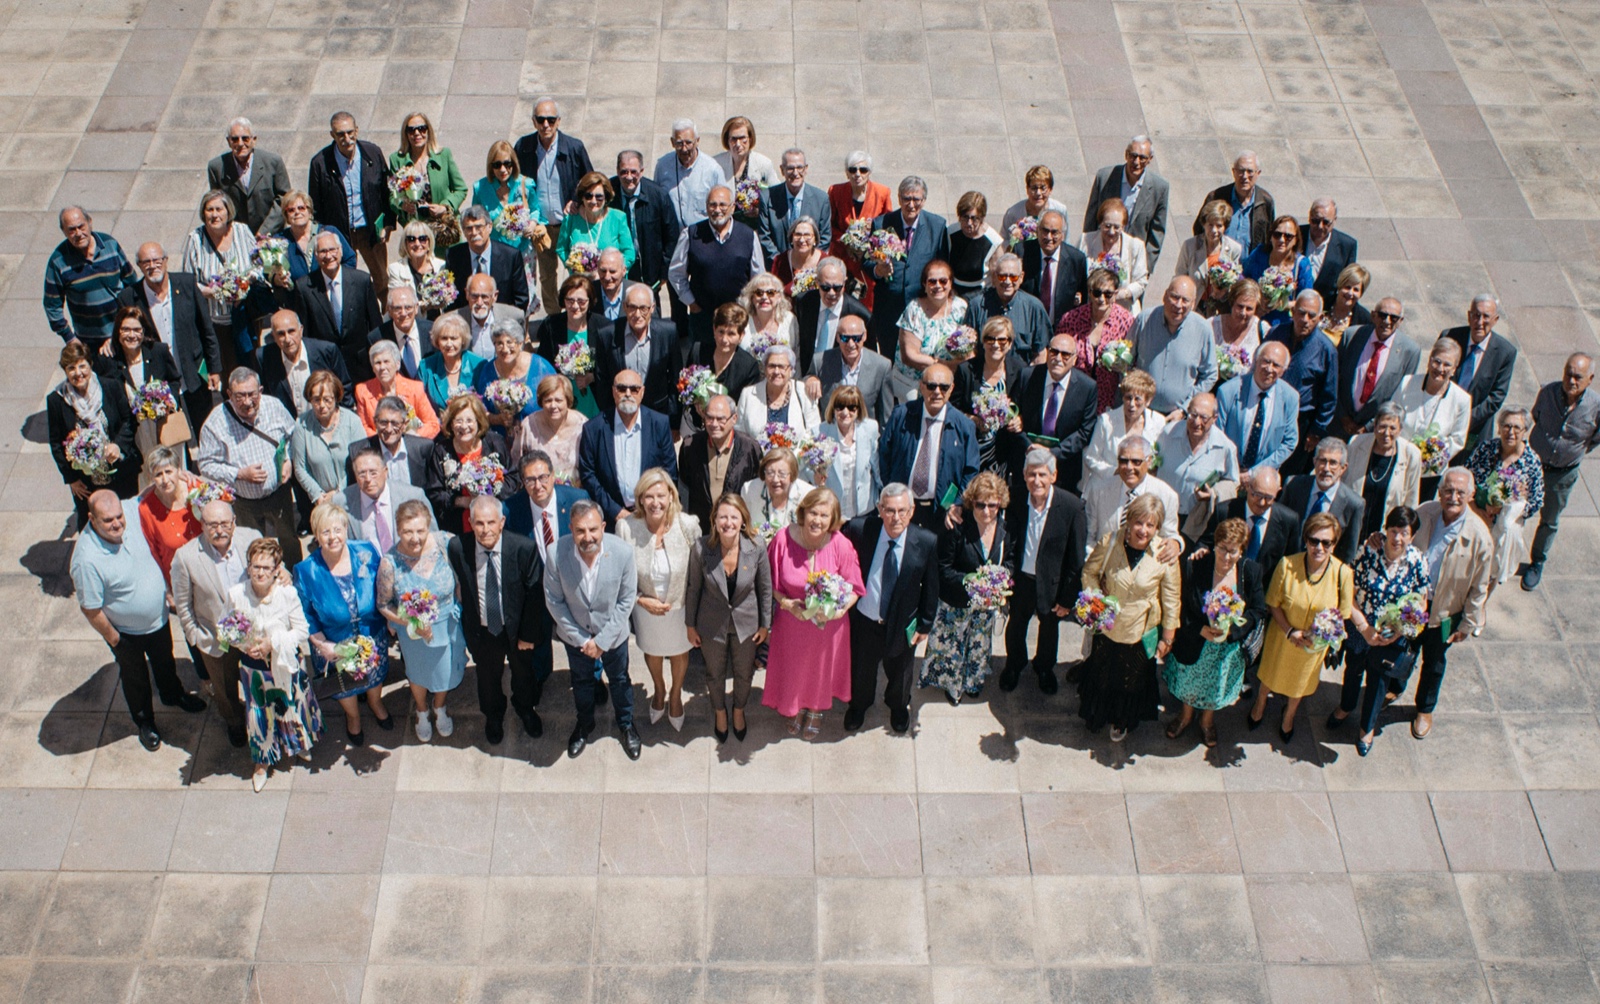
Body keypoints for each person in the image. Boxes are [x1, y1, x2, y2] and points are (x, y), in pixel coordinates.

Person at [72, 492, 205, 751]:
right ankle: (145, 722)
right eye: (108, 520)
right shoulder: (86, 560)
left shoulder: (131, 510)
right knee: (136, 679)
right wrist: (116, 640)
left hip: (158, 619)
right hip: (125, 633)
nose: (117, 524)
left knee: (165, 658)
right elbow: (90, 608)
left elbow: (150, 491)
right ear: (92, 519)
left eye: (119, 516)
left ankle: (172, 694)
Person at [1325, 506, 1431, 757]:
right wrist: (1364, 628)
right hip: (1361, 627)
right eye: (1393, 531)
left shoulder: (1417, 561)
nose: (1397, 538)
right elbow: (1348, 593)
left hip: (1391, 635)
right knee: (1353, 670)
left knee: (1379, 681)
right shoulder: (1367, 551)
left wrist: (1399, 630)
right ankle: (1346, 706)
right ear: (1386, 530)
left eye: (1404, 533)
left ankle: (1367, 727)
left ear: (1412, 535)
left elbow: (1422, 602)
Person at [442, 496, 547, 744]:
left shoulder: (523, 548)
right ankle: (493, 716)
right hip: (482, 630)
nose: (486, 530)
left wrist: (527, 636)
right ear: (470, 522)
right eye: (479, 523)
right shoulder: (458, 547)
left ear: (502, 522)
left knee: (523, 674)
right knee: (487, 679)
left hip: (517, 631)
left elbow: (534, 594)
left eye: (491, 522)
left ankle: (525, 709)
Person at [1077, 493, 1181, 741]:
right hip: (1108, 626)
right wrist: (1095, 602)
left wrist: (1167, 637)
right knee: (1102, 675)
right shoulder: (1111, 541)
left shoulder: (1164, 554)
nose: (1143, 530)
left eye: (1150, 524)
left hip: (1139, 630)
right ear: (1129, 520)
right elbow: (1089, 572)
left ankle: (1122, 720)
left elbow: (1171, 598)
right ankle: (1098, 714)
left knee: (1130, 681)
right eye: (1138, 522)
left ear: (1157, 527)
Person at [1399, 468, 1493, 738]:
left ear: (1471, 495)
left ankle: (1425, 708)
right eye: (1448, 490)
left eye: (1460, 492)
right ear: (1439, 491)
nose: (1453, 497)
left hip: (1445, 613)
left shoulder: (1480, 537)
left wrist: (1468, 622)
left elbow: (1479, 587)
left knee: (1435, 662)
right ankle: (1397, 685)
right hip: (1412, 605)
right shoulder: (1425, 511)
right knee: (1404, 649)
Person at [544, 499, 641, 759]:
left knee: (620, 681)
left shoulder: (623, 553)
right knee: (582, 682)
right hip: (576, 639)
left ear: (603, 527)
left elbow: (626, 599)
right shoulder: (555, 553)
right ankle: (584, 724)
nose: (588, 537)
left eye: (593, 530)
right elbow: (554, 601)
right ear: (571, 529)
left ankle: (626, 724)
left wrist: (603, 641)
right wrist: (582, 639)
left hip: (613, 637)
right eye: (580, 531)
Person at [764, 487, 864, 739]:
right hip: (792, 622)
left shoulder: (841, 544)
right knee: (795, 668)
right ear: (803, 512)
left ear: (833, 520)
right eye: (813, 513)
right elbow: (769, 584)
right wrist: (786, 604)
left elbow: (854, 587)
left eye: (824, 516)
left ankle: (817, 709)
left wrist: (838, 611)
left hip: (827, 626)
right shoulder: (782, 540)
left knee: (820, 669)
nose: (817, 520)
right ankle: (797, 706)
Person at [1251, 513, 1357, 743]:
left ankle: (1289, 715)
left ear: (1334, 543)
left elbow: (1343, 615)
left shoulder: (1343, 574)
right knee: (1270, 674)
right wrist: (1290, 631)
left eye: (1326, 542)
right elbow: (1273, 603)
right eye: (1313, 540)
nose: (1319, 547)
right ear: (1305, 540)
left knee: (1299, 684)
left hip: (1312, 646)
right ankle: (1260, 703)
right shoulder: (1287, 564)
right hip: (1282, 636)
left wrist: (1320, 636)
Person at [295, 502, 393, 745]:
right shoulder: (306, 570)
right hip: (335, 643)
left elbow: (383, 585)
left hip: (373, 636)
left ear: (346, 529)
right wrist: (322, 644)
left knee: (374, 676)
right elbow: (304, 615)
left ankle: (375, 702)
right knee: (345, 686)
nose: (333, 537)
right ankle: (353, 716)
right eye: (325, 532)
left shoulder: (366, 551)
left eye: (337, 530)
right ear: (316, 535)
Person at [1165, 517, 1265, 748]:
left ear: (1242, 551)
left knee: (1215, 687)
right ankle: (1186, 715)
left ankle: (1207, 721)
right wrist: (1200, 629)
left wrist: (1232, 630)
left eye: (1233, 551)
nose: (1226, 557)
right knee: (1189, 682)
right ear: (1214, 545)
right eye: (1222, 549)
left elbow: (1258, 609)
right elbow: (1180, 604)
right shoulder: (1196, 565)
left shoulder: (1250, 571)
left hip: (1226, 648)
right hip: (1196, 640)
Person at [169, 499, 257, 751]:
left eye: (224, 523)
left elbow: (274, 567)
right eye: (212, 524)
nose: (219, 530)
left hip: (253, 631)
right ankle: (234, 723)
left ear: (234, 523)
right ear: (202, 525)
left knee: (260, 680)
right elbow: (183, 604)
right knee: (225, 688)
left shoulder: (250, 538)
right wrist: (195, 636)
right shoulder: (186, 557)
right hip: (215, 638)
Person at [616, 470, 700, 730]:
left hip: (680, 608)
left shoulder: (687, 525)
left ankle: (675, 695)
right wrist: (641, 601)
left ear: (671, 497)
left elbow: (699, 571)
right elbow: (621, 576)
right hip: (646, 608)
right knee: (652, 651)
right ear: (640, 499)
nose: (655, 502)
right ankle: (659, 690)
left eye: (661, 495)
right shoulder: (626, 527)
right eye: (648, 496)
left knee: (678, 652)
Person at [686, 493, 772, 743]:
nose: (728, 522)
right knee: (714, 673)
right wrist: (690, 625)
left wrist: (765, 625)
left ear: (743, 520)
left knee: (745, 673)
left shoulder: (757, 546)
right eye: (723, 516)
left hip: (747, 625)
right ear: (714, 520)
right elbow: (693, 588)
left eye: (734, 517)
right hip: (711, 624)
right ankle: (720, 711)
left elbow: (765, 588)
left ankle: (738, 710)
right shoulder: (701, 548)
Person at [377, 499, 465, 742]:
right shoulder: (389, 562)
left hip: (448, 622)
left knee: (445, 672)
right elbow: (383, 604)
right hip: (413, 631)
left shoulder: (446, 542)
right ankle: (422, 710)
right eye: (407, 531)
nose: (415, 538)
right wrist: (410, 623)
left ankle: (439, 707)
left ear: (429, 526)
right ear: (398, 530)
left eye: (420, 530)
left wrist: (460, 595)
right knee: (418, 675)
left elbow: (463, 574)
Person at [1000, 449, 1087, 693]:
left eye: (1042, 474)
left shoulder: (1071, 507)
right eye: (1031, 475)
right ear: (1024, 475)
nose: (1036, 481)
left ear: (1053, 476)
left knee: (1049, 629)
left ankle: (1044, 667)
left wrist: (1068, 598)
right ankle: (1014, 664)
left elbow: (1077, 559)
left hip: (1053, 583)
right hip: (1022, 580)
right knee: (1016, 625)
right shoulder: (1015, 498)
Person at [922, 472, 1012, 704]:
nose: (986, 511)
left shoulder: (1005, 528)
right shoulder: (958, 526)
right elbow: (943, 567)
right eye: (980, 504)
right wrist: (973, 583)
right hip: (957, 601)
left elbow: (1010, 560)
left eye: (992, 505)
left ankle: (973, 681)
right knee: (952, 646)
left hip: (985, 606)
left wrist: (1000, 580)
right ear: (972, 503)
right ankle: (951, 685)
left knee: (978, 644)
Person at [198, 367, 301, 565]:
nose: (247, 402)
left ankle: (295, 579)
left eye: (251, 394)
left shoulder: (274, 406)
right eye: (240, 396)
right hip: (244, 501)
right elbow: (206, 464)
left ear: (260, 391)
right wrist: (239, 473)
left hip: (278, 494)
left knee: (288, 540)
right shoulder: (216, 423)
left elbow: (292, 435)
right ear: (229, 394)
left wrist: (287, 459)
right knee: (253, 546)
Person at [115, 242, 222, 430]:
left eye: (157, 260)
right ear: (139, 266)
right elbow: (123, 330)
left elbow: (206, 329)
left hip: (193, 370)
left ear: (165, 261)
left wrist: (214, 369)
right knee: (172, 433)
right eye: (146, 262)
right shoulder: (129, 297)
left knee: (206, 427)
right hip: (160, 379)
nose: (152, 265)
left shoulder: (187, 283)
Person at [1524, 353, 1600, 589]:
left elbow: (1594, 439)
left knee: (1549, 520)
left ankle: (1537, 562)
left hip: (1562, 473)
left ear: (1590, 379)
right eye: (1568, 373)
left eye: (1578, 376)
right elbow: (1536, 416)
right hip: (1533, 466)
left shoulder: (1596, 407)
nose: (1572, 380)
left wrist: (1569, 452)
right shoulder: (1547, 393)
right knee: (1513, 509)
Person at [513, 98, 595, 313]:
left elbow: (590, 181)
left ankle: (577, 315)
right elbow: (514, 181)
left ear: (558, 121)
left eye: (550, 120)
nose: (546, 125)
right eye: (541, 120)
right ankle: (553, 318)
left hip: (569, 224)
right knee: (547, 276)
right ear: (534, 122)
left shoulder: (574, 147)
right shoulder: (524, 147)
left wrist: (576, 200)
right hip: (541, 227)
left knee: (576, 274)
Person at [878, 363, 980, 530]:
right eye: (931, 386)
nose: (937, 392)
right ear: (921, 386)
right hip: (902, 509)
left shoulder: (964, 426)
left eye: (944, 387)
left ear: (952, 388)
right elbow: (884, 454)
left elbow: (971, 470)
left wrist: (957, 503)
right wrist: (891, 489)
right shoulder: (901, 415)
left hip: (941, 511)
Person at [50, 340, 139, 530]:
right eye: (71, 368)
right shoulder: (56, 400)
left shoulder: (111, 387)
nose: (78, 373)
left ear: (90, 365)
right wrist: (71, 479)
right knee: (91, 524)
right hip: (86, 481)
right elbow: (56, 442)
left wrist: (118, 445)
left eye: (82, 366)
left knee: (126, 519)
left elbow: (129, 421)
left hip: (120, 472)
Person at [281, 229, 384, 383]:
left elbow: (375, 325)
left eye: (332, 250)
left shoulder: (361, 281)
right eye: (322, 251)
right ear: (316, 256)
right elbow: (306, 333)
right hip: (326, 366)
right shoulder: (304, 287)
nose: (328, 256)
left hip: (361, 365)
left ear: (341, 251)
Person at [577, 370, 678, 524]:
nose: (628, 394)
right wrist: (615, 511)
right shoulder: (594, 429)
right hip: (610, 519)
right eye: (622, 389)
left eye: (634, 389)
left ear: (642, 392)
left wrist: (650, 506)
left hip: (652, 515)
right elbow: (588, 474)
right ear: (613, 392)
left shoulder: (659, 424)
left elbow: (669, 471)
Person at [667, 185, 763, 346]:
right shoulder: (691, 234)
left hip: (738, 316)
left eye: (722, 205)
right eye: (712, 205)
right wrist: (691, 302)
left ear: (732, 207)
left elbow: (758, 276)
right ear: (706, 207)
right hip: (703, 318)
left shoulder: (748, 235)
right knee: (703, 365)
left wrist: (750, 307)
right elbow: (676, 273)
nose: (717, 209)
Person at [869, 176, 952, 357]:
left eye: (916, 200)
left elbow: (944, 265)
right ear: (899, 198)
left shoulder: (937, 226)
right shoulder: (881, 224)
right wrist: (877, 270)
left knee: (919, 357)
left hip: (923, 307)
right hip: (889, 308)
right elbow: (867, 261)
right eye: (907, 199)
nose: (911, 205)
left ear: (923, 200)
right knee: (888, 358)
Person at [1464, 408, 1544, 591]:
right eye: (1506, 426)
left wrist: (1507, 508)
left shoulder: (1531, 462)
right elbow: (1466, 477)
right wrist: (1478, 510)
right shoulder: (1486, 449)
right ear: (1499, 428)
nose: (1511, 432)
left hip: (1504, 527)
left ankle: (1483, 599)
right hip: (1476, 513)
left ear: (1525, 432)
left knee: (1493, 568)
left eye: (1517, 427)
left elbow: (1536, 501)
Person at [307, 111, 391, 278]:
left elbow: (386, 190)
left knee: (382, 278)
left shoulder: (372, 153)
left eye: (350, 132)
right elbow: (315, 204)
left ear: (356, 131)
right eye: (340, 134)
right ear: (332, 135)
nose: (347, 138)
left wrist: (388, 223)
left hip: (370, 231)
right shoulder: (320, 163)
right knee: (343, 279)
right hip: (340, 233)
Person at [182, 190, 260, 368]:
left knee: (250, 363)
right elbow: (188, 280)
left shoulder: (242, 230)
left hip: (245, 314)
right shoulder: (195, 239)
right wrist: (209, 292)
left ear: (228, 211)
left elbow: (259, 264)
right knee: (226, 367)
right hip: (215, 320)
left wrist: (245, 284)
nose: (215, 214)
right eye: (210, 210)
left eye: (219, 209)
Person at [1014, 332, 1098, 494]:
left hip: (1064, 469)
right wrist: (1029, 447)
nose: (1058, 358)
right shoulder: (1027, 377)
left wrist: (1053, 453)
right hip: (1027, 463)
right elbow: (1014, 417)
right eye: (1054, 352)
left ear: (1075, 359)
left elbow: (1084, 432)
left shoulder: (1087, 388)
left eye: (1065, 354)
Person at [1265, 290, 1339, 473]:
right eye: (1301, 312)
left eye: (1311, 315)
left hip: (1300, 422)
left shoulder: (1326, 350)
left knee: (1288, 471)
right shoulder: (1277, 333)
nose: (1305, 319)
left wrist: (1316, 431)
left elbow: (1329, 397)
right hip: (1267, 410)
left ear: (1319, 318)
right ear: (1293, 311)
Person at [45, 207, 137, 351]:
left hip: (123, 333)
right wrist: (69, 338)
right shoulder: (58, 261)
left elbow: (132, 284)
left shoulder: (110, 245)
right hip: (90, 342)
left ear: (90, 223)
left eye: (81, 226)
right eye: (72, 230)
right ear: (63, 231)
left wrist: (133, 321)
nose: (78, 234)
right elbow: (52, 305)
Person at [425, 393, 517, 533]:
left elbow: (513, 477)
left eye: (469, 420)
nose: (464, 426)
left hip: (493, 523)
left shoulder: (494, 443)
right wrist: (462, 501)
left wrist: (491, 494)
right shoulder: (441, 450)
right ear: (451, 424)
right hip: (457, 527)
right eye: (458, 421)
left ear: (478, 422)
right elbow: (434, 493)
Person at [1395, 337, 1472, 500]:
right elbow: (1392, 417)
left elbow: (1458, 439)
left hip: (1430, 473)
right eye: (1437, 361)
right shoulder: (1407, 383)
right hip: (1400, 463)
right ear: (1429, 361)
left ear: (1454, 369)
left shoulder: (1462, 399)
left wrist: (1431, 457)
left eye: (1447, 365)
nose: (1440, 368)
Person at [1155, 392, 1239, 538]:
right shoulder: (1168, 433)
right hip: (1160, 513)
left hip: (1194, 522)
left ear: (1214, 419)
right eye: (1193, 415)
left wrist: (1214, 493)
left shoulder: (1225, 447)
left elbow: (1233, 482)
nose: (1197, 422)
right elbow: (1152, 464)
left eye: (1204, 418)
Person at [1130, 276, 1216, 417]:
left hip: (1177, 417)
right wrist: (1132, 396)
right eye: (1174, 297)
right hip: (1140, 412)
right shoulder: (1144, 320)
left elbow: (1210, 375)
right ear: (1165, 296)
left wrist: (1185, 408)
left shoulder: (1203, 329)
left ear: (1193, 304)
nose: (1178, 305)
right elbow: (1126, 360)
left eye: (1185, 300)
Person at [1203, 466, 1301, 590]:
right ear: (1248, 486)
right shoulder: (1224, 511)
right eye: (1257, 495)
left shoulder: (1289, 520)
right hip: (1226, 588)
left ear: (1278, 492)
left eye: (1268, 498)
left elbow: (1291, 561)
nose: (1261, 503)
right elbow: (1205, 543)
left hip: (1266, 594)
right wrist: (1202, 550)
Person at [950, 316, 1025, 478]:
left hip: (1004, 450)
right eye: (990, 339)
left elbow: (1025, 406)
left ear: (1010, 344)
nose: (996, 345)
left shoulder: (1019, 370)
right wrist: (973, 419)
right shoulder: (966, 370)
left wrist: (1018, 420)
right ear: (983, 343)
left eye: (1002, 340)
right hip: (973, 446)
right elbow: (952, 408)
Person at [1444, 294, 1518, 456]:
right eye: (1476, 315)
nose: (1480, 321)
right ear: (1469, 316)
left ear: (1495, 320)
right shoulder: (1450, 337)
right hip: (1442, 419)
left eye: (1486, 316)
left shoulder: (1505, 352)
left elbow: (1496, 397)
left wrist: (1464, 420)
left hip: (1474, 428)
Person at [1337, 297, 1421, 436]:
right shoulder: (1352, 335)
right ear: (1373, 315)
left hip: (1375, 431)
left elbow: (1402, 396)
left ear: (1401, 321)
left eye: (1393, 318)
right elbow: (1334, 378)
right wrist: (1342, 415)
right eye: (1382, 315)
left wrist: (1369, 426)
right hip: (1340, 422)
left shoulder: (1410, 351)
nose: (1387, 321)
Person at [596, 283, 679, 423]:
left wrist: (674, 421)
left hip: (657, 414)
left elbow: (675, 377)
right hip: (620, 414)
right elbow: (602, 381)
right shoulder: (608, 334)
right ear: (624, 307)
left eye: (643, 308)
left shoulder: (668, 333)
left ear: (652, 308)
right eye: (632, 307)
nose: (637, 314)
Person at [1059, 268, 1137, 415]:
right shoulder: (1071, 319)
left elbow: (1134, 361)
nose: (1101, 299)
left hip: (1109, 400)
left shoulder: (1127, 322)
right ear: (1089, 292)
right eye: (1097, 293)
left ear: (1115, 294)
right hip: (1075, 395)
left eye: (1108, 294)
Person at [1083, 136, 1170, 267]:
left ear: (1150, 160)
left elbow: (1157, 232)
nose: (1136, 161)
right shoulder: (1105, 177)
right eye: (1133, 155)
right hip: (1101, 255)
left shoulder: (1159, 188)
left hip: (1132, 261)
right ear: (1126, 154)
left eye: (1142, 158)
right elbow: (1091, 219)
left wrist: (1145, 267)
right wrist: (1087, 252)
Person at [1083, 434, 1183, 548]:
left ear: (1149, 461)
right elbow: (1089, 535)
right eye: (1123, 461)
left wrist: (1176, 543)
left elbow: (1170, 537)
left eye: (1136, 462)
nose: (1129, 467)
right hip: (1104, 561)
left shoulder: (1167, 496)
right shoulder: (1099, 490)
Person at [471, 139, 548, 284]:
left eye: (507, 164)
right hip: (495, 252)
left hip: (522, 250)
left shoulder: (525, 184)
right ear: (490, 166)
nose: (503, 170)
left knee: (525, 294)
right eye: (497, 165)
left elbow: (535, 210)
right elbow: (475, 218)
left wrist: (532, 224)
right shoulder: (481, 188)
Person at [679, 394, 762, 530]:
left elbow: (757, 490)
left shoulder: (750, 449)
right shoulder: (690, 447)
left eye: (721, 419)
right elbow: (684, 491)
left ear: (734, 419)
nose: (714, 424)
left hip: (736, 530)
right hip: (702, 531)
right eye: (710, 418)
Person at [1216, 340, 1300, 472]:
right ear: (1256, 361)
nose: (1269, 369)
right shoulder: (1228, 391)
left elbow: (1289, 442)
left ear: (1283, 371)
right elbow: (1217, 434)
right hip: (1227, 469)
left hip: (1264, 475)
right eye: (1266, 361)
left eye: (1276, 365)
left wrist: (1254, 473)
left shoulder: (1290, 398)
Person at [1280, 438, 1366, 567]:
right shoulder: (1294, 485)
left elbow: (1348, 553)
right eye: (1322, 461)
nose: (1326, 468)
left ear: (1343, 468)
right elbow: (1279, 527)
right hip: (1288, 565)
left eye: (1333, 463)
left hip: (1324, 573)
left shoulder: (1354, 504)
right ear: (1314, 462)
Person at [826, 150, 894, 309]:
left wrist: (870, 245)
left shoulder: (882, 193)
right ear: (846, 173)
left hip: (869, 260)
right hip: (843, 257)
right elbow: (830, 225)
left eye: (863, 170)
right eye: (852, 170)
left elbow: (888, 229)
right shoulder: (835, 191)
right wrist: (846, 242)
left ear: (869, 173)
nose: (858, 174)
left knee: (867, 306)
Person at [891, 259, 968, 397]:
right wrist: (941, 366)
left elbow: (969, 347)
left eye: (943, 281)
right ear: (924, 285)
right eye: (932, 281)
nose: (938, 286)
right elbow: (909, 355)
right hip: (913, 382)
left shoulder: (960, 307)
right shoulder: (914, 309)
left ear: (951, 283)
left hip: (948, 382)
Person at [289, 370, 365, 510]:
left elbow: (361, 460)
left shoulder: (352, 421)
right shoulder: (302, 424)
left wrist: (338, 493)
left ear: (336, 398)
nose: (322, 405)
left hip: (354, 496)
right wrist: (318, 495)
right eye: (316, 399)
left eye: (327, 399)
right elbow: (300, 467)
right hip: (322, 503)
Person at [1345, 403, 1423, 539]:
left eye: (1393, 428)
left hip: (1384, 534)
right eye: (1382, 426)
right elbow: (1343, 485)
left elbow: (1411, 501)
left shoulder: (1411, 455)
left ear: (1400, 430)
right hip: (1350, 527)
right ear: (1374, 427)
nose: (1386, 433)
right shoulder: (1356, 444)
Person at [259, 308, 351, 418]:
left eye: (291, 331)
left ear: (301, 330)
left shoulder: (326, 351)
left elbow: (344, 389)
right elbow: (266, 398)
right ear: (274, 336)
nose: (287, 339)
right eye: (281, 334)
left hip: (326, 422)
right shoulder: (265, 357)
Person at [1084, 368, 1167, 488]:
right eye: (1128, 398)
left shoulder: (1158, 422)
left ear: (1148, 401)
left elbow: (1161, 461)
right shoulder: (1106, 421)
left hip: (1141, 489)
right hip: (1107, 487)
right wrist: (1116, 471)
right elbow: (1090, 457)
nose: (1132, 404)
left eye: (1137, 399)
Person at [610, 150, 680, 291]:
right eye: (624, 172)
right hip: (617, 268)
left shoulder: (658, 196)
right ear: (617, 171)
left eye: (633, 172)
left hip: (649, 269)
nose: (629, 177)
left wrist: (664, 269)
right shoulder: (608, 193)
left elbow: (671, 234)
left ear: (641, 171)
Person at [207, 118, 291, 235]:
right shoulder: (216, 167)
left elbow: (284, 199)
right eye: (235, 139)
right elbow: (217, 203)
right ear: (228, 141)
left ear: (254, 140)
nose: (240, 143)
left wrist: (264, 231)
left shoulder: (273, 162)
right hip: (235, 236)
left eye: (245, 138)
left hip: (271, 235)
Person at [809, 313, 895, 427]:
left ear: (864, 336)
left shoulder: (881, 366)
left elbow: (886, 417)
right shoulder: (820, 362)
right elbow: (805, 382)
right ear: (838, 337)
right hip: (830, 437)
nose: (851, 344)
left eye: (856, 338)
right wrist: (810, 379)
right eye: (845, 338)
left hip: (864, 438)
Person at [685, 303, 763, 429]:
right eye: (721, 332)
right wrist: (695, 401)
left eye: (731, 334)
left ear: (741, 336)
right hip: (694, 425)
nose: (724, 339)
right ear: (714, 330)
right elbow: (686, 384)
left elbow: (747, 406)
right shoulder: (698, 351)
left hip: (727, 429)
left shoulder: (748, 367)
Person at [386, 111, 468, 231]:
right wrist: (402, 205)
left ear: (428, 131)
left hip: (443, 228)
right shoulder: (397, 160)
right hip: (416, 230)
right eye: (411, 130)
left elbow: (461, 189)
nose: (417, 133)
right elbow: (392, 197)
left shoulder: (444, 155)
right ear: (406, 134)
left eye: (422, 128)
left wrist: (445, 206)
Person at [532, 275, 601, 416]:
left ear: (590, 302)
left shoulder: (602, 327)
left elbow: (609, 366)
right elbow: (542, 363)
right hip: (561, 400)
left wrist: (592, 377)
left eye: (581, 301)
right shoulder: (551, 325)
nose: (575, 306)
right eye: (570, 300)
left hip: (594, 398)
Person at [964, 253, 1052, 363]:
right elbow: (968, 350)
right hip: (983, 375)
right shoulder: (976, 306)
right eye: (1002, 276)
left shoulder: (1034, 307)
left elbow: (1041, 354)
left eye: (1013, 277)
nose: (1007, 281)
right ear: (994, 278)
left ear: (1021, 278)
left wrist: (1028, 378)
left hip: (1021, 377)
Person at [337, 448, 434, 544]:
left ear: (385, 472)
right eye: (362, 474)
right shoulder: (341, 502)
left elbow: (433, 538)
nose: (368, 479)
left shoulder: (413, 495)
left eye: (373, 473)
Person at [473, 321, 557, 433]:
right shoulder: (487, 371)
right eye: (499, 343)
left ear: (520, 344)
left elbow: (557, 400)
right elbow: (480, 409)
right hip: (499, 440)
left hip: (538, 434)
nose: (505, 349)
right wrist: (497, 419)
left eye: (510, 342)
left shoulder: (541, 367)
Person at [138, 447, 206, 582]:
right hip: (177, 578)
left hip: (207, 571)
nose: (165, 479)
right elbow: (154, 553)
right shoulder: (147, 508)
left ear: (179, 471)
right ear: (151, 478)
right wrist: (167, 589)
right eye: (158, 475)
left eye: (169, 472)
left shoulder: (197, 489)